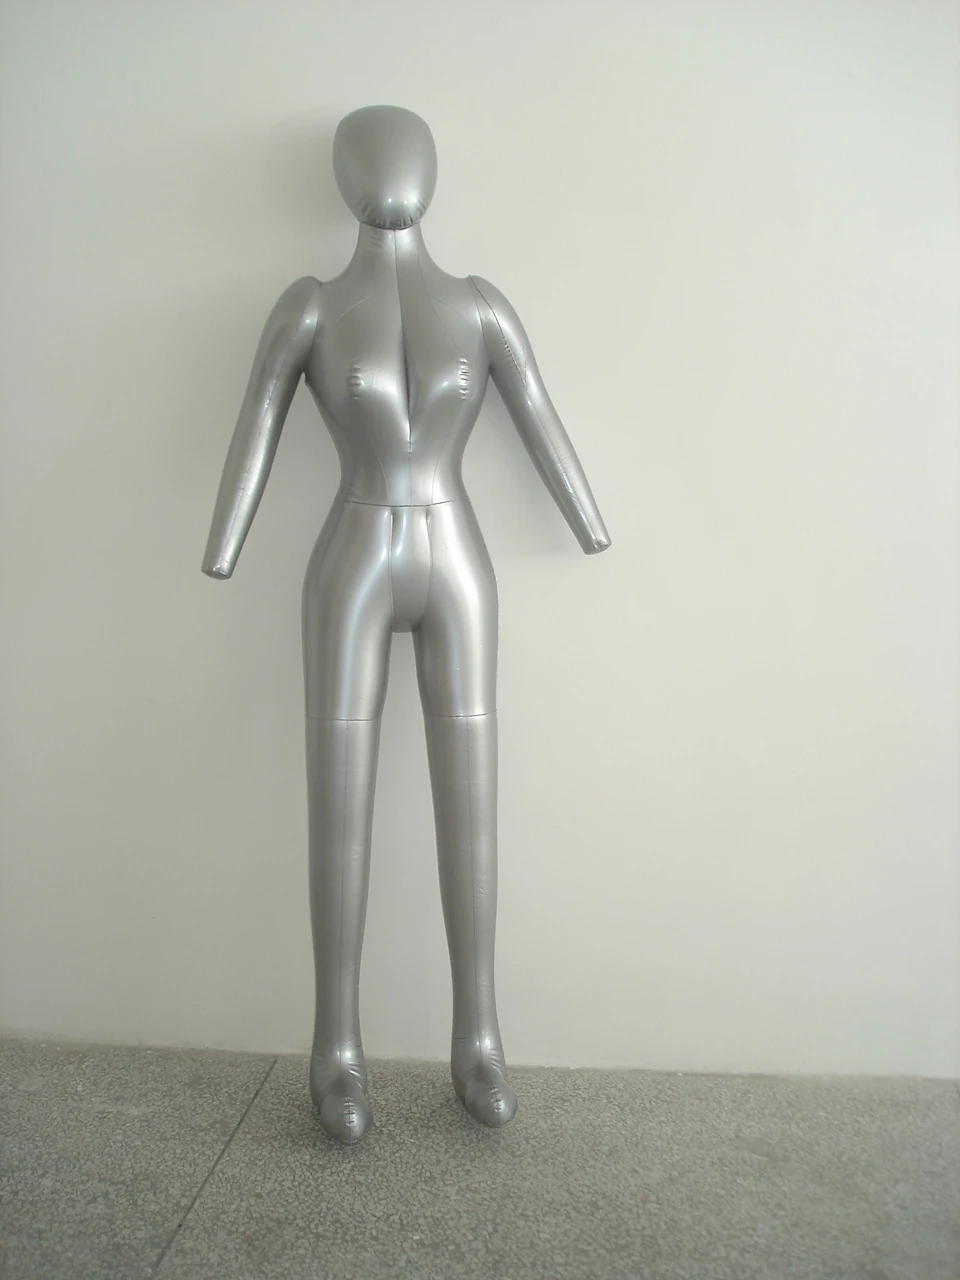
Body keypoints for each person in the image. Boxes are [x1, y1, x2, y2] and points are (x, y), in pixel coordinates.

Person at [202, 105, 611, 1144]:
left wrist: (590, 521)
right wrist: (223, 545)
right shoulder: (308, 306)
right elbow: (256, 424)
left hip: (457, 558)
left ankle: (481, 1039)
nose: (392, 178)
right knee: (337, 809)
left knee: (473, 808)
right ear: (349, 178)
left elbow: (540, 416)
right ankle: (335, 1050)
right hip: (354, 553)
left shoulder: (479, 305)